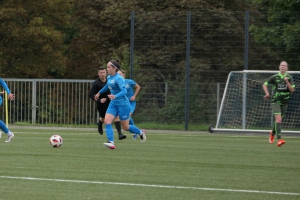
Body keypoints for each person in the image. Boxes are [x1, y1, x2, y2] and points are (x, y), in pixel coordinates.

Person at [94, 60, 146, 149]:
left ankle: (140, 132)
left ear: (114, 68)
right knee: (107, 121)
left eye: (109, 67)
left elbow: (124, 91)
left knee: (125, 127)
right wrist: (99, 93)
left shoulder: (119, 78)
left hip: (123, 105)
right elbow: (107, 86)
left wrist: (115, 96)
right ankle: (111, 142)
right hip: (113, 104)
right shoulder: (110, 77)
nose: (107, 69)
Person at [262, 61, 295, 147]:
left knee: (278, 121)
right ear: (279, 67)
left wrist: (287, 82)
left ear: (287, 68)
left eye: (285, 66)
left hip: (285, 102)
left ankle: (272, 133)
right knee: (279, 120)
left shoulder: (289, 77)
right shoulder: (274, 77)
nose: (283, 67)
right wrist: (267, 94)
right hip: (276, 100)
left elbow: (292, 90)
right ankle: (279, 139)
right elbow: (265, 84)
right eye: (281, 65)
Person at [89, 67, 126, 140]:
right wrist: (99, 100)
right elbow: (91, 95)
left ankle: (120, 134)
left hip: (111, 101)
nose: (103, 74)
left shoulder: (109, 80)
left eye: (104, 72)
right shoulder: (96, 83)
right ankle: (100, 124)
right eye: (101, 73)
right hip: (102, 104)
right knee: (103, 118)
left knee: (116, 116)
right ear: (98, 74)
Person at [117, 70, 141, 140]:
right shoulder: (117, 84)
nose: (119, 76)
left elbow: (138, 87)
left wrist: (134, 96)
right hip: (123, 103)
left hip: (130, 103)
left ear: (123, 75)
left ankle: (135, 132)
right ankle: (136, 131)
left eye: (120, 74)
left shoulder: (129, 81)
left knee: (128, 115)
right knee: (126, 120)